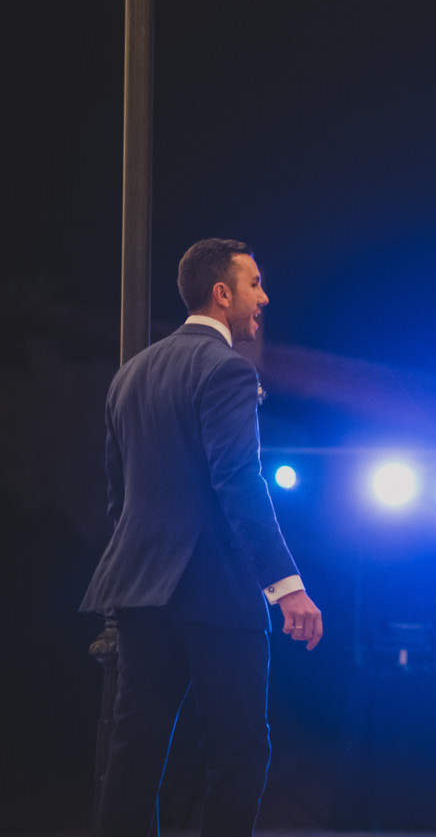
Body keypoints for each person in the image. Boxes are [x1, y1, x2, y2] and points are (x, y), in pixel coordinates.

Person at [80, 238, 323, 837]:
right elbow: (239, 482)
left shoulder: (128, 375)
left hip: (138, 591)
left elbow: (119, 500)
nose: (263, 298)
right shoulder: (228, 369)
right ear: (222, 294)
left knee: (132, 756)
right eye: (255, 284)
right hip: (214, 593)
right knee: (238, 755)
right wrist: (287, 586)